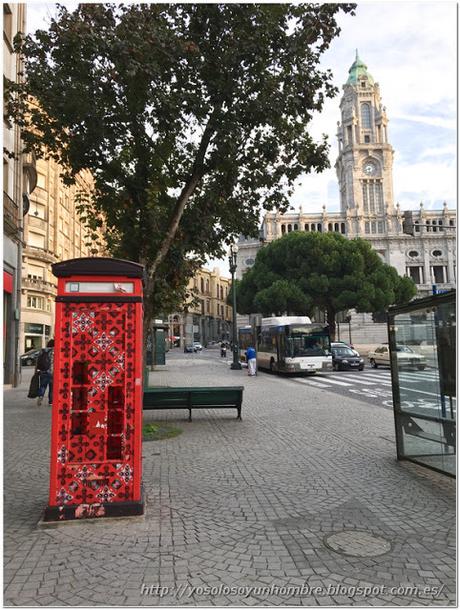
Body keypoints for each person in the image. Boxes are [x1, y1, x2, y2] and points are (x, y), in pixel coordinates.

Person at [36, 339, 54, 406]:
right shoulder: (55, 350)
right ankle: (51, 401)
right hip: (52, 372)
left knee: (43, 385)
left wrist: (36, 370)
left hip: (43, 371)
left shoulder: (42, 350)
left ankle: (41, 396)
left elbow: (38, 361)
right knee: (52, 388)